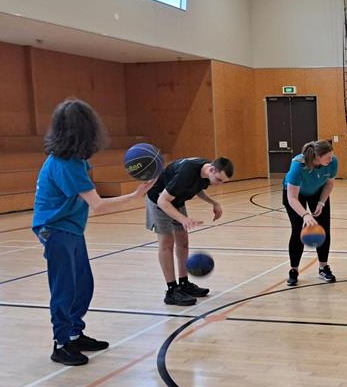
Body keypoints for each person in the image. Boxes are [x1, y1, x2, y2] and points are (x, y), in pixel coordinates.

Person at [33, 99, 155, 366]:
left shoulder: (77, 161)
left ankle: (74, 333)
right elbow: (98, 205)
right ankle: (61, 344)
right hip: (54, 229)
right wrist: (134, 195)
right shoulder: (65, 164)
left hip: (71, 227)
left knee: (83, 284)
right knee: (65, 287)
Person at [146, 156, 234, 306]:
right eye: (219, 180)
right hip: (159, 201)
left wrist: (214, 202)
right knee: (167, 244)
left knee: (183, 242)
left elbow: (197, 188)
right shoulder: (187, 172)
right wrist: (183, 219)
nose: (219, 184)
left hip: (176, 201)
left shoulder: (205, 172)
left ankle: (183, 284)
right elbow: (162, 201)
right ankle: (172, 291)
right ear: (212, 169)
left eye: (222, 181)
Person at [283, 140, 338, 286]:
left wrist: (321, 202)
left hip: (318, 192)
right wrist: (305, 215)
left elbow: (330, 183)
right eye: (328, 157)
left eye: (331, 156)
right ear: (317, 156)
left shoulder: (332, 162)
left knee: (324, 229)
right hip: (295, 195)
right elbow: (292, 198)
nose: (331, 159)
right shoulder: (298, 165)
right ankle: (294, 270)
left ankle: (323, 268)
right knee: (297, 230)